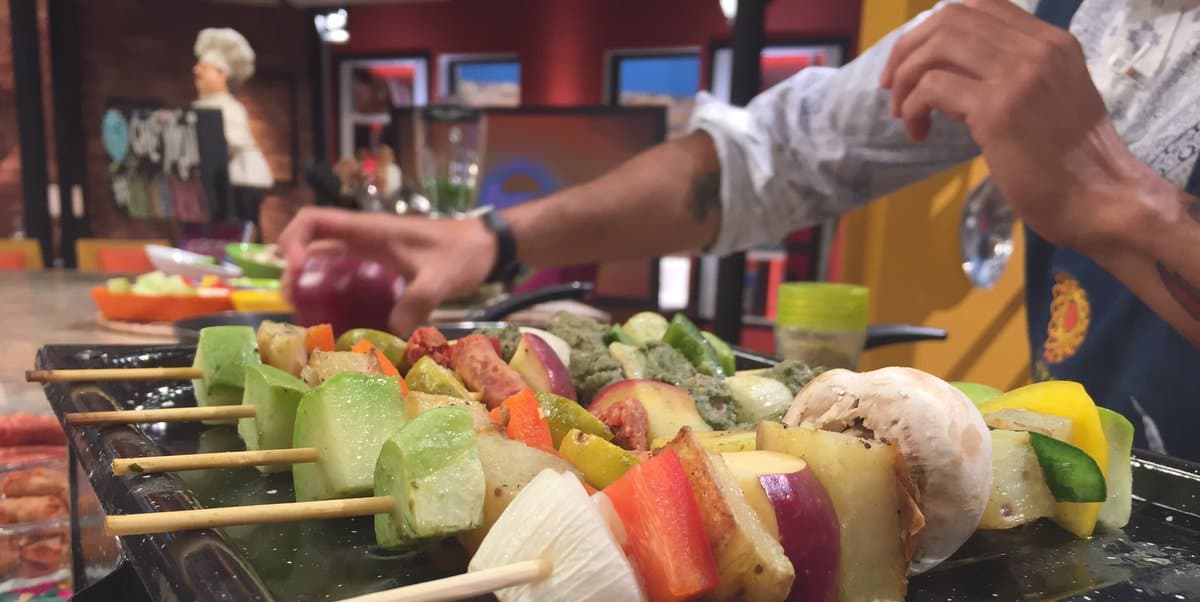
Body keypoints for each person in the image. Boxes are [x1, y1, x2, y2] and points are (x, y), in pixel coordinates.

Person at [278, 0, 1200, 458]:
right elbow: (771, 159)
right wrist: (496, 238)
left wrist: (1122, 201)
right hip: (1113, 522)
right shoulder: (1056, 10)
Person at [193, 27, 274, 234]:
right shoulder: (199, 108)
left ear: (222, 74)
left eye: (205, 67)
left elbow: (232, 142)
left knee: (242, 230)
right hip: (212, 186)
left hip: (238, 184)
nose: (197, 71)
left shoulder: (231, 109)